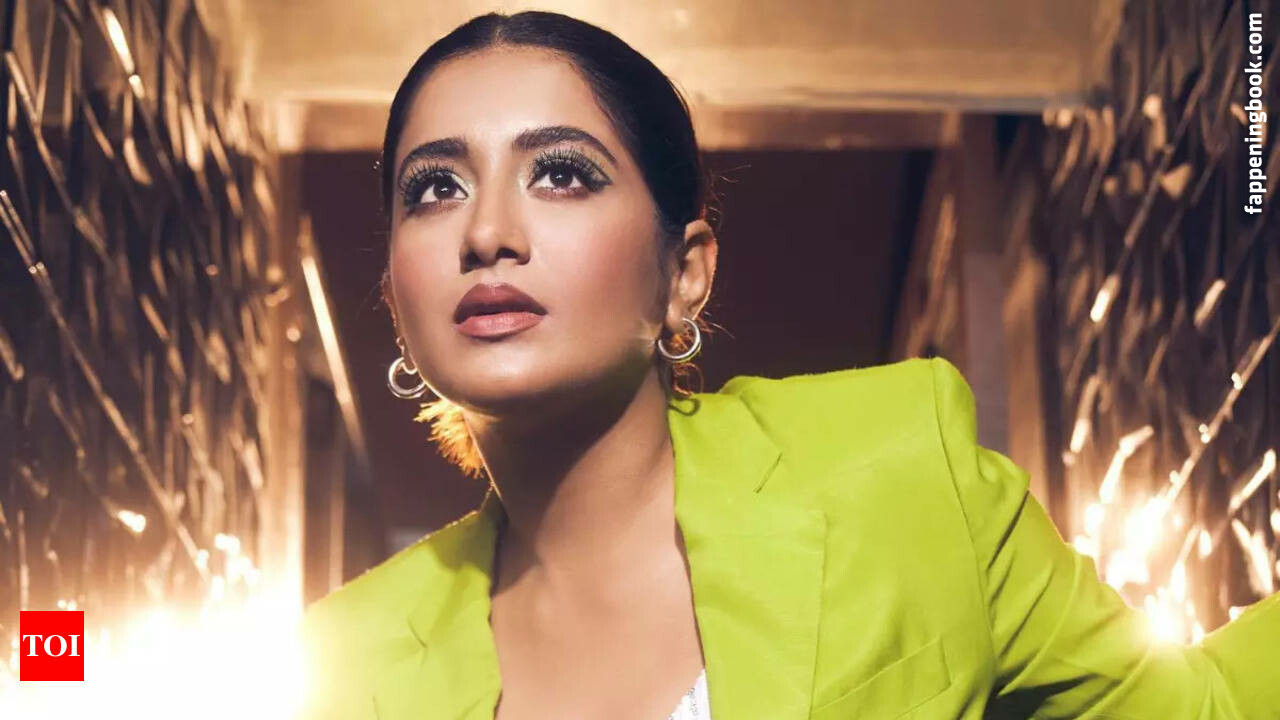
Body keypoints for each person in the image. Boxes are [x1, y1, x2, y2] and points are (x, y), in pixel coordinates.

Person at [298, 10, 1280, 720]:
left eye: (560, 173)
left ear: (683, 276)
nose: (487, 232)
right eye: (435, 188)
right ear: (394, 291)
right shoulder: (347, 667)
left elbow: (1203, 710)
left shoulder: (897, 466)